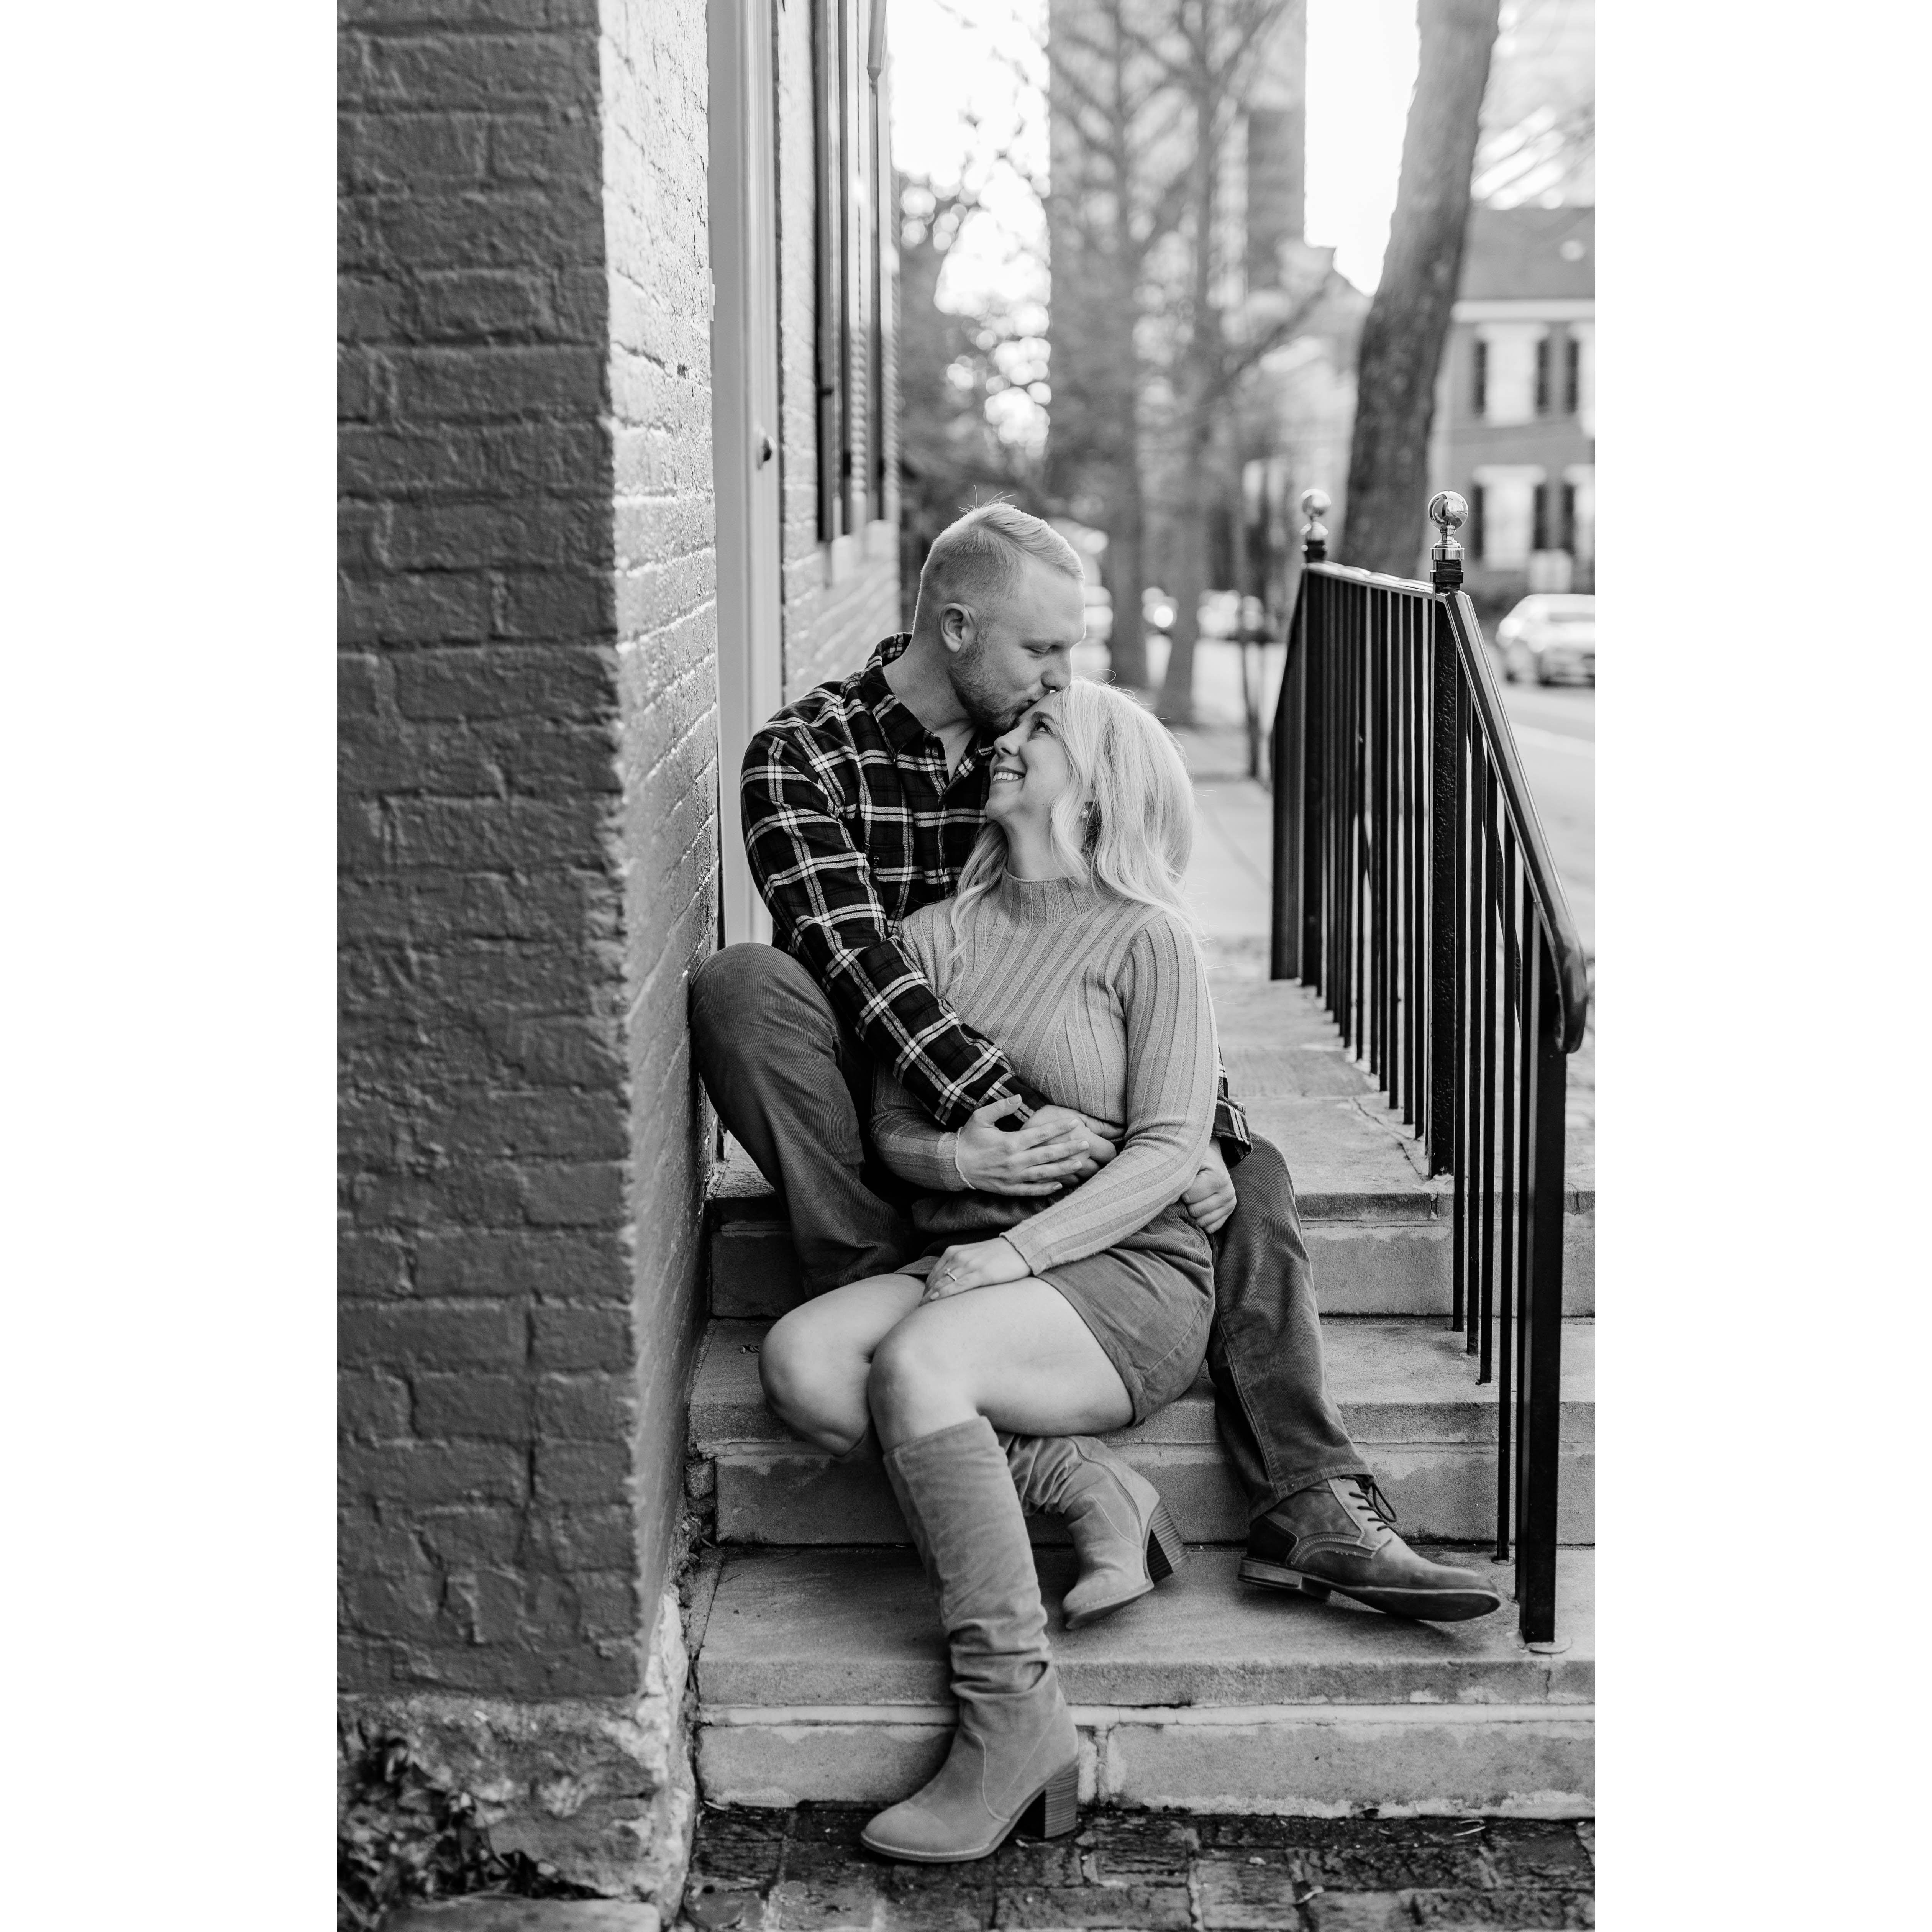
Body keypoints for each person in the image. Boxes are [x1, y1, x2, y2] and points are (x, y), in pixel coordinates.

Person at [689, 502, 1499, 1626]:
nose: (1058, 678)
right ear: (957, 628)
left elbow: (1115, 947)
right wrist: (997, 1140)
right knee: (745, 987)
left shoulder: (1039, 750)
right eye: (1042, 649)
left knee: (1250, 1167)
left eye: (1066, 654)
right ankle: (911, 1322)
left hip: (1052, 1141)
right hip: (879, 1104)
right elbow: (867, 970)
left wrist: (1188, 1129)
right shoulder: (804, 756)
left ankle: (1307, 1495)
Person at [756, 678, 1214, 1860]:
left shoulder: (1146, 936)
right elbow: (889, 1131)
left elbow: (1170, 1147)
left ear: (1099, 782)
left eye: (1040, 731)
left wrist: (1016, 1249)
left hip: (1122, 1266)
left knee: (919, 1363)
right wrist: (958, 1155)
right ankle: (1079, 1481)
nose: (1006, 741)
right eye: (1014, 726)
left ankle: (1013, 1720)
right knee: (804, 1359)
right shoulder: (929, 937)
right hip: (966, 1255)